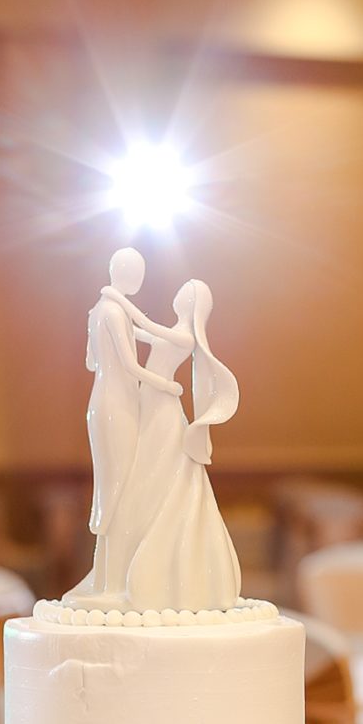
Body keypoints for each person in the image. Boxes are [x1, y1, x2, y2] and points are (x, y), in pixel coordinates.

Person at [95, 277, 242, 612]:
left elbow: (146, 325)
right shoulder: (172, 331)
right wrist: (115, 327)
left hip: (162, 408)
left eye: (185, 292)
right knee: (145, 470)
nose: (177, 293)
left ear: (191, 302)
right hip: (150, 403)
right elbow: (143, 333)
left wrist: (115, 296)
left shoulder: (185, 335)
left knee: (156, 468)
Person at [69, 248, 183, 607]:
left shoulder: (101, 310)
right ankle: (110, 581)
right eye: (139, 272)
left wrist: (156, 337)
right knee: (118, 488)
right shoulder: (115, 311)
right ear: (128, 273)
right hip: (118, 406)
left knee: (113, 487)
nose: (141, 279)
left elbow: (92, 361)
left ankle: (109, 576)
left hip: (102, 400)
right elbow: (132, 367)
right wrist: (167, 386)